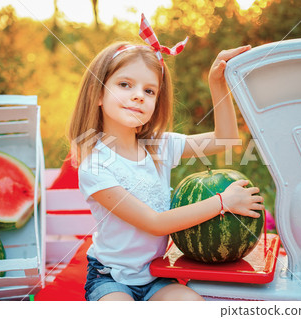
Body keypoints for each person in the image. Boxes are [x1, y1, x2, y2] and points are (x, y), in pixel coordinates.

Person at [68, 14, 264, 301]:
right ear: (99, 93)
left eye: (149, 90)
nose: (138, 96)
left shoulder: (158, 146)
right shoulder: (95, 166)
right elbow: (155, 223)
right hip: (110, 277)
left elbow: (226, 139)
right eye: (125, 84)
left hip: (158, 273)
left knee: (194, 306)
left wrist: (217, 83)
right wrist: (223, 202)